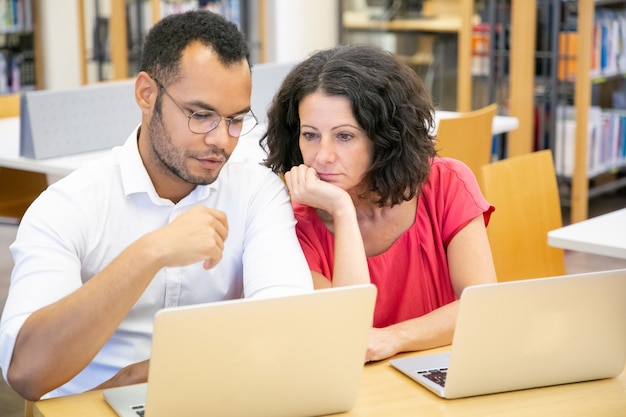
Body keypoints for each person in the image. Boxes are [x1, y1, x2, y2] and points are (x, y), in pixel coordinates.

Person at [0, 10, 312, 401]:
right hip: (90, 407)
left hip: (218, 396)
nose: (222, 140)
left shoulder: (256, 192)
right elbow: (27, 373)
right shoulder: (68, 206)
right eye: (201, 115)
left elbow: (286, 328)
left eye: (234, 120)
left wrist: (153, 374)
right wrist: (151, 252)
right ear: (147, 94)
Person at [262, 44, 497, 363]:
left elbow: (483, 304)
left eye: (344, 136)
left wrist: (394, 338)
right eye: (310, 135)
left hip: (444, 373)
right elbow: (345, 332)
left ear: (384, 137)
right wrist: (342, 211)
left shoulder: (446, 183)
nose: (322, 156)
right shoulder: (291, 222)